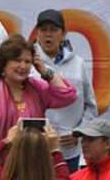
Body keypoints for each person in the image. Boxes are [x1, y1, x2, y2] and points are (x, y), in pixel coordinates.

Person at [0, 34, 77, 165]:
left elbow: (68, 95)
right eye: (17, 60)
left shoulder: (36, 88)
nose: (23, 66)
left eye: (27, 62)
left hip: (30, 167)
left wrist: (45, 72)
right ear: (4, 62)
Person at [35, 9, 98, 171]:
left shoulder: (78, 63)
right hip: (36, 149)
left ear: (63, 34)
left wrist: (79, 132)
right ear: (37, 33)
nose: (48, 34)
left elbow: (90, 105)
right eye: (43, 30)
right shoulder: (28, 63)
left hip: (69, 150)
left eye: (53, 30)